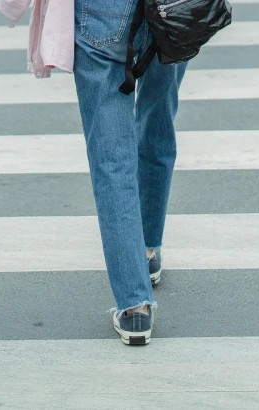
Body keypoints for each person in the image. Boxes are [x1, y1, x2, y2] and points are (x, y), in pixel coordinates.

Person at [73, 0, 185, 345]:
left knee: (111, 156)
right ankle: (148, 250)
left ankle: (135, 306)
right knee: (158, 118)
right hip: (174, 4)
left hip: (103, 9)